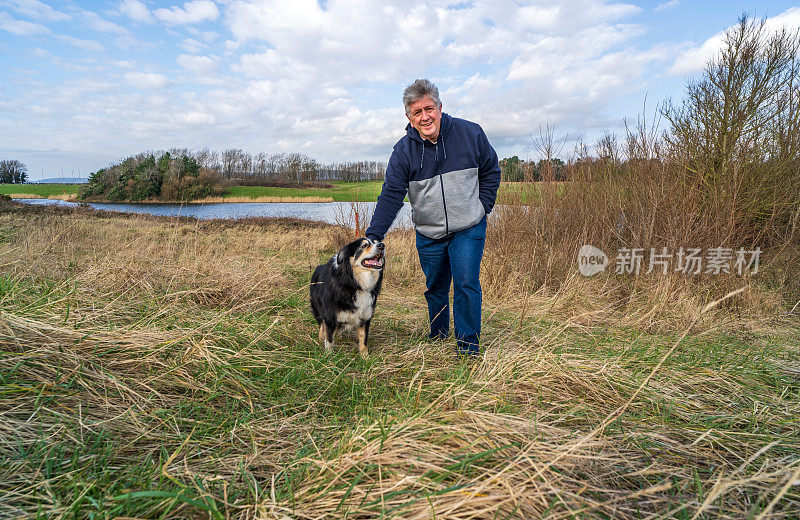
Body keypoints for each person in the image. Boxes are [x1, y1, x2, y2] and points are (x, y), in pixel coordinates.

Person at [365, 79, 501, 357]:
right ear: (409, 118)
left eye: (429, 109)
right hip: (428, 232)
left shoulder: (470, 133)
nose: (425, 116)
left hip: (468, 227)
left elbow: (491, 170)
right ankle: (438, 336)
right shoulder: (403, 151)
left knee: (466, 283)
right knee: (435, 287)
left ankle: (468, 347)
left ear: (440, 107)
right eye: (417, 112)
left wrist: (482, 207)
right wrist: (373, 235)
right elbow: (391, 195)